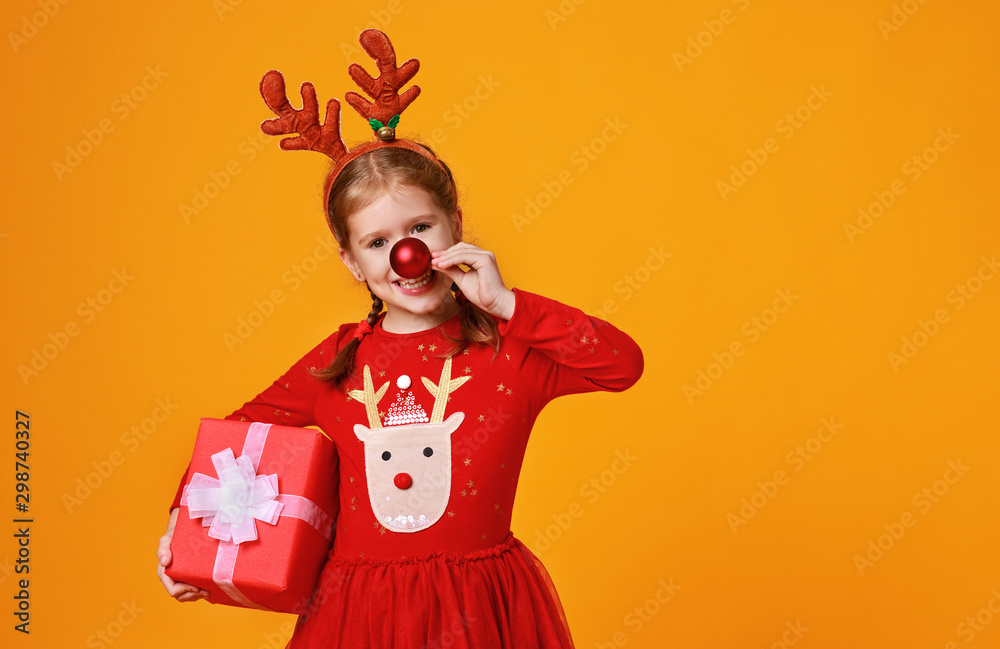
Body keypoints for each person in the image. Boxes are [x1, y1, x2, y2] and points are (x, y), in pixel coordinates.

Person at [156, 30, 643, 648]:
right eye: (378, 242)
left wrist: (506, 304)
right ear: (352, 262)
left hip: (482, 612)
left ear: (454, 228)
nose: (404, 255)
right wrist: (185, 529)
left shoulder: (509, 348)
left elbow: (620, 364)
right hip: (358, 616)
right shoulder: (339, 360)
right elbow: (232, 446)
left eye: (419, 228)